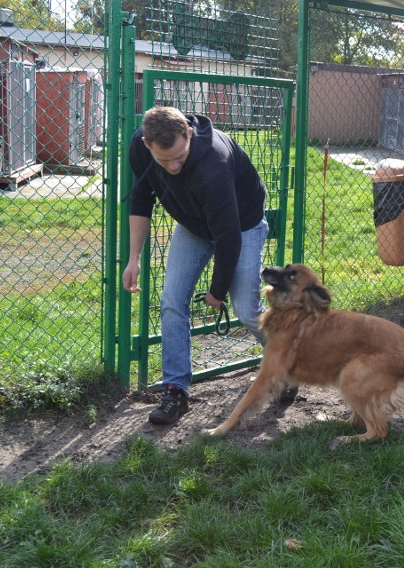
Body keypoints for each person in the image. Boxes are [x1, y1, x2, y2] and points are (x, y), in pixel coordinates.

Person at [123, 106, 295, 425]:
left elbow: (228, 236)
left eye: (180, 157)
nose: (173, 167)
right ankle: (176, 391)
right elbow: (141, 199)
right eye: (165, 161)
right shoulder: (139, 146)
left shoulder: (213, 163)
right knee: (172, 301)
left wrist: (217, 291)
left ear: (189, 134)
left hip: (242, 225)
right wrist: (133, 258)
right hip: (193, 224)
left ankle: (288, 365)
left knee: (246, 310)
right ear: (147, 144)